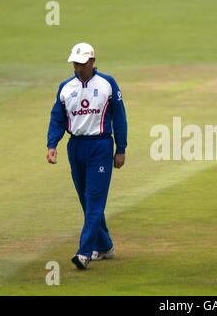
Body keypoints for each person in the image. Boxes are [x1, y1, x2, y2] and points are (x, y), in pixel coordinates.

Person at [46, 42, 127, 270]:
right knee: (86, 199)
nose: (78, 68)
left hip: (100, 145)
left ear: (92, 61)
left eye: (82, 63)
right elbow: (57, 118)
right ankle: (106, 246)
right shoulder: (65, 87)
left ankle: (84, 252)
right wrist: (52, 144)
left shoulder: (107, 84)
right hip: (76, 147)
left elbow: (120, 117)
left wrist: (121, 148)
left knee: (94, 200)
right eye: (75, 63)